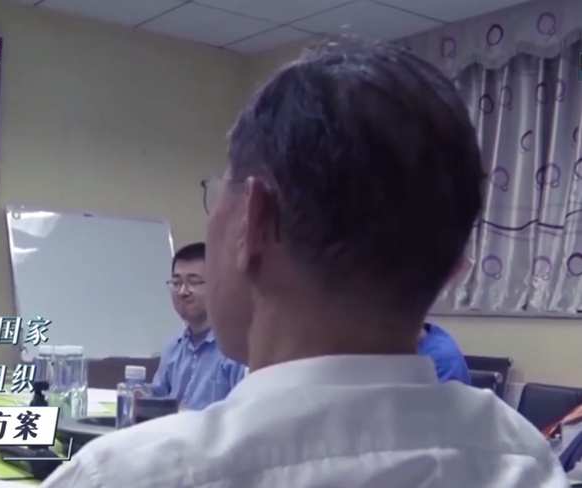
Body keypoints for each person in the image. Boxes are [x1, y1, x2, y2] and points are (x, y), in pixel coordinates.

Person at [41, 40, 568, 487]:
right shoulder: (522, 460)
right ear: (455, 269)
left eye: (216, 194)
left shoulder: (130, 474)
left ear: (254, 221)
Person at [151, 242, 247, 410]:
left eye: (193, 282)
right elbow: (155, 404)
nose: (182, 291)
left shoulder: (236, 349)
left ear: (217, 286)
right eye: (176, 283)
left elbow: (242, 413)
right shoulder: (173, 348)